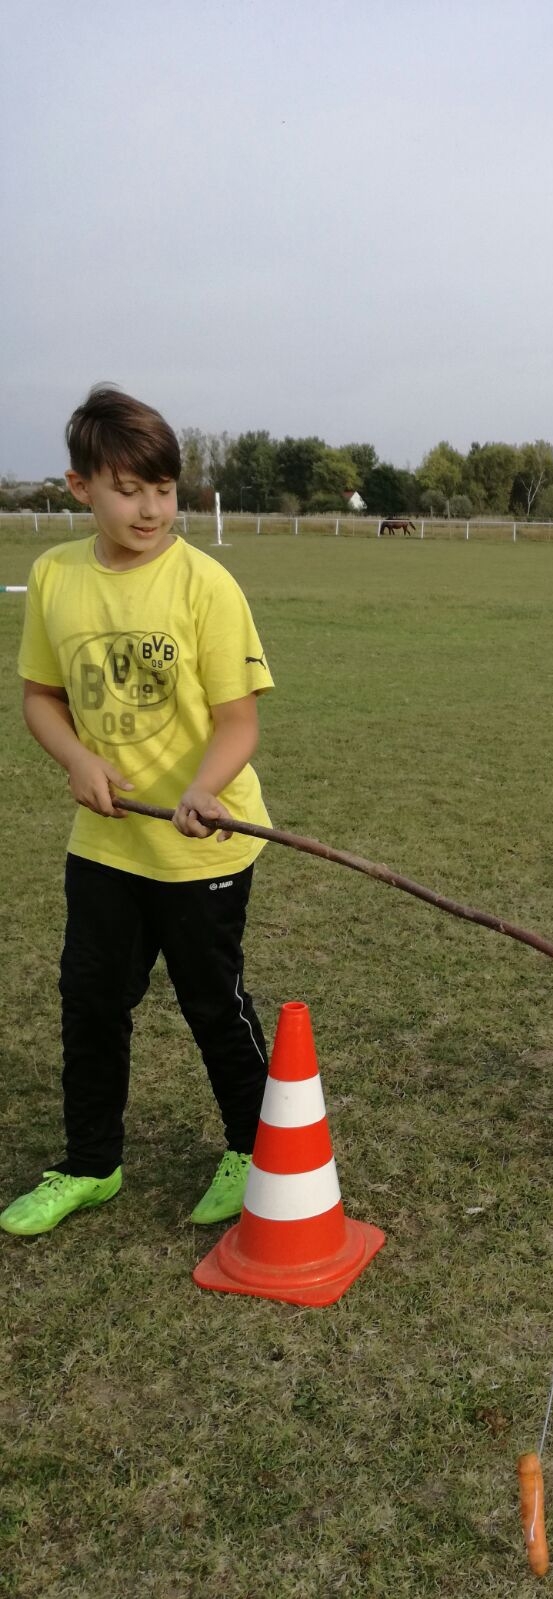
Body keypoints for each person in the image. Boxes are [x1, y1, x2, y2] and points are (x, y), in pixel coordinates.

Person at [1, 385, 275, 1238]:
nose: (151, 508)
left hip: (204, 845)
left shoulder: (205, 584)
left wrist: (202, 789)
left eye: (163, 489)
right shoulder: (55, 577)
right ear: (80, 487)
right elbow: (40, 697)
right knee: (89, 1001)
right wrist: (78, 758)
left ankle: (254, 1151)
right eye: (129, 489)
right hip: (107, 844)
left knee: (211, 1003)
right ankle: (90, 1164)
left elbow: (239, 723)